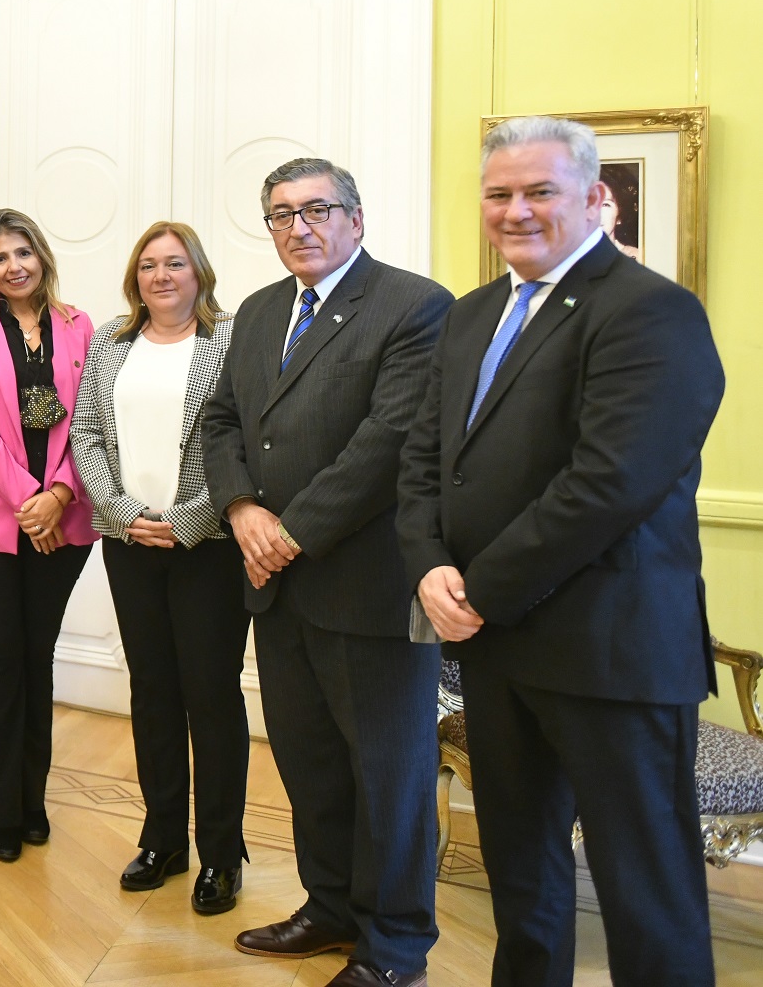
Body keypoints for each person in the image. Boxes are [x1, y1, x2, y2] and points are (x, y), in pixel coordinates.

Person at [400, 117, 724, 987]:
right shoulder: (469, 317)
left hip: (612, 652)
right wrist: (428, 563)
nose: (517, 212)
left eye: (541, 191)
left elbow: (608, 486)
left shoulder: (652, 310)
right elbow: (426, 460)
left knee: (644, 890)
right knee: (522, 876)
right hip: (498, 648)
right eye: (500, 194)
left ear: (596, 199)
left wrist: (478, 589)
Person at [201, 158, 452, 987]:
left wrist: (291, 531)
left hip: (369, 589)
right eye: (280, 215)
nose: (298, 227)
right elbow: (224, 419)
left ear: (356, 217)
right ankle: (331, 906)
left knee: (390, 777)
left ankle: (396, 947)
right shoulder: (261, 311)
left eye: (316, 210)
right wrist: (240, 509)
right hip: (278, 591)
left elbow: (389, 443)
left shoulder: (414, 305)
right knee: (309, 762)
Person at [72, 221, 248, 913]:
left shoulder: (230, 341)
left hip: (207, 546)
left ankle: (222, 853)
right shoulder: (113, 341)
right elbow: (87, 432)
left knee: (210, 694)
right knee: (151, 691)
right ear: (134, 276)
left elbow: (242, 440)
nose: (162, 276)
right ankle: (164, 839)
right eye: (149, 265)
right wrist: (118, 511)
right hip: (129, 543)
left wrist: (190, 519)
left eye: (176, 263)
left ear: (198, 272)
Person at [0, 209, 95, 864]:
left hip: (67, 517)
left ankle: (34, 801)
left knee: (38, 656)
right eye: (0, 257)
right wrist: (28, 498)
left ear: (42, 256)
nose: (14, 266)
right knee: (1, 660)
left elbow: (90, 416)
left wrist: (57, 494)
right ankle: (0, 811)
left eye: (23, 252)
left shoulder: (79, 325)